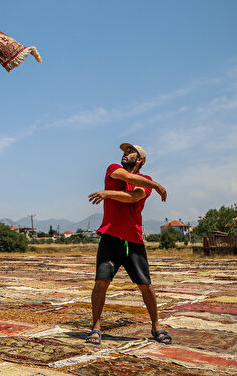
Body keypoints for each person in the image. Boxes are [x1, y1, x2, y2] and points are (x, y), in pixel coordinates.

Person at [86, 143, 171, 345]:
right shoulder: (113, 169)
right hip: (110, 236)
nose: (125, 153)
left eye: (130, 151)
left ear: (140, 159)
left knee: (146, 286)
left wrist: (108, 193)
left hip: (133, 240)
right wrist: (157, 186)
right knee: (101, 283)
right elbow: (127, 178)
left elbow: (134, 197)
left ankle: (156, 325)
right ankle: (96, 327)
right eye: (124, 151)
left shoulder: (146, 180)